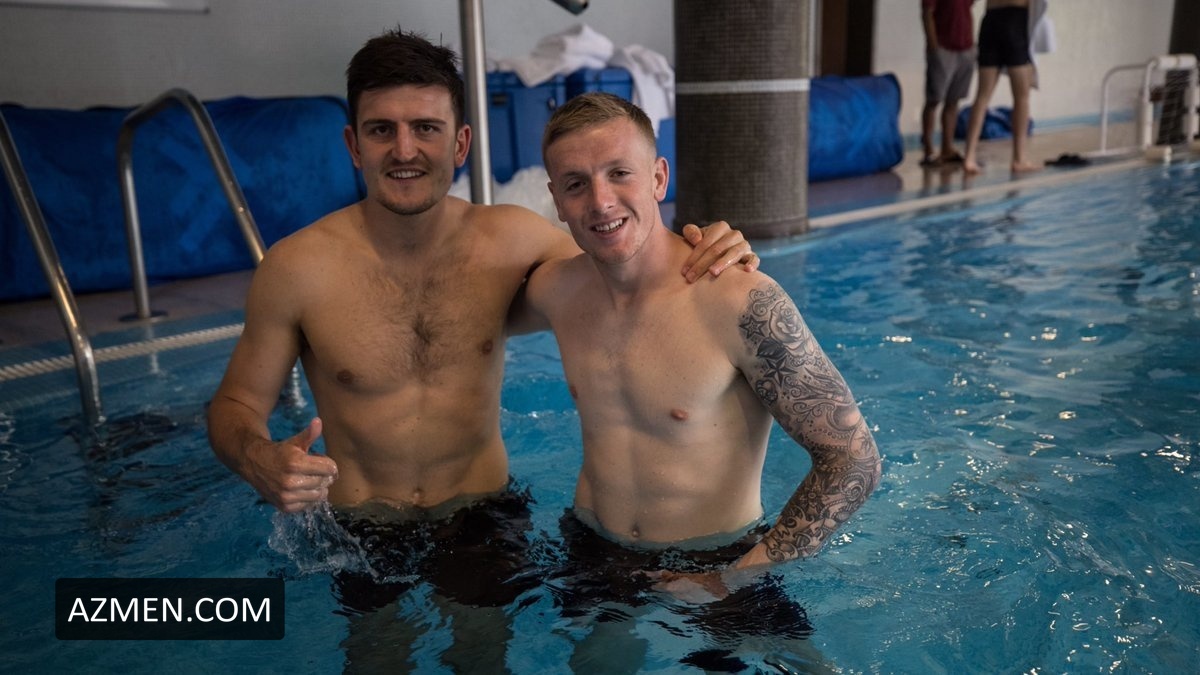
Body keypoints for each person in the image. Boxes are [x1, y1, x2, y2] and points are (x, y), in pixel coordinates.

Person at [205, 27, 756, 670]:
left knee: (482, 656)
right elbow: (236, 404)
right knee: (376, 657)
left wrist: (714, 245)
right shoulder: (297, 269)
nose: (404, 150)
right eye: (381, 130)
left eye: (426, 128)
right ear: (353, 145)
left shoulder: (513, 242)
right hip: (360, 525)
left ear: (461, 142)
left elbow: (629, 262)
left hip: (483, 515)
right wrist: (258, 458)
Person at [523, 91, 882, 605]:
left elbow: (853, 459)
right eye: (576, 184)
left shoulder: (739, 300)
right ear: (557, 200)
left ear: (658, 178)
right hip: (592, 548)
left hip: (719, 560)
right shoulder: (555, 290)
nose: (600, 201)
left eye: (619, 173)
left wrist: (733, 579)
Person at [962, 0, 1045, 173]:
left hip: (990, 20)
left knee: (982, 97)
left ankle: (969, 158)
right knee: (1022, 97)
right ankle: (1019, 159)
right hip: (1015, 19)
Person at [920, 0, 978, 167]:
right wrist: (933, 45)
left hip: (965, 48)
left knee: (953, 101)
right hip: (943, 48)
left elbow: (969, 10)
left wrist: (971, 42)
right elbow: (927, 13)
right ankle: (929, 150)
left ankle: (947, 147)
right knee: (934, 100)